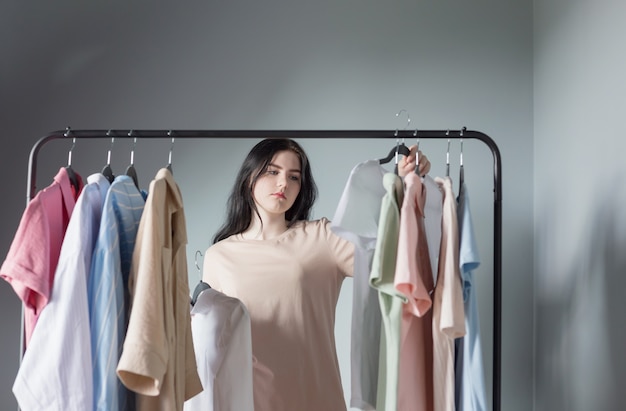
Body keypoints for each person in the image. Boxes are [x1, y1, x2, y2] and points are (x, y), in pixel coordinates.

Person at [202, 138, 430, 411]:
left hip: (315, 399)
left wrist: (405, 185)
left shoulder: (322, 238)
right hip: (244, 402)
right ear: (249, 176)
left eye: (293, 177)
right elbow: (211, 345)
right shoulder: (218, 255)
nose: (283, 183)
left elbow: (387, 252)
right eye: (272, 171)